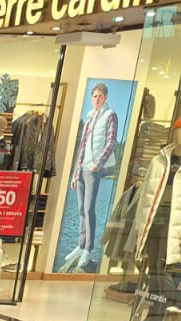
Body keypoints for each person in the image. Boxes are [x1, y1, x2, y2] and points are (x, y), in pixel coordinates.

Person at [65, 83, 119, 274]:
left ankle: (88, 248)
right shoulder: (89, 116)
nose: (96, 99)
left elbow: (111, 142)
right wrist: (75, 173)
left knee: (89, 208)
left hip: (94, 168)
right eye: (94, 96)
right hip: (82, 168)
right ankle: (80, 244)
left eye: (99, 96)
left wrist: (98, 163)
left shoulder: (110, 115)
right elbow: (82, 145)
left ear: (105, 98)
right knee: (81, 209)